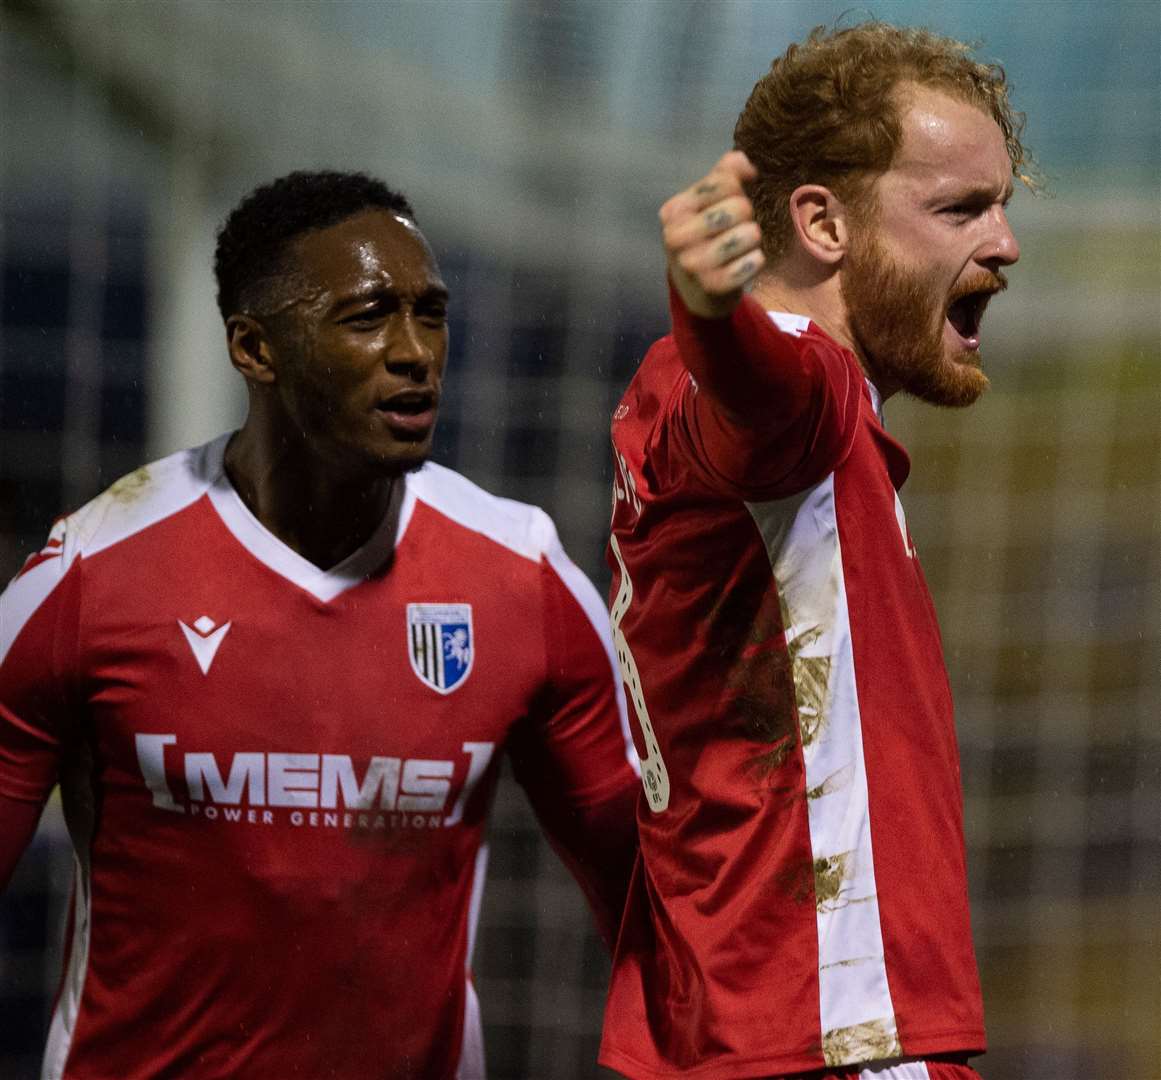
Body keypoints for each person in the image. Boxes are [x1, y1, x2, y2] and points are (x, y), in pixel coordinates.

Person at [0, 171, 640, 1079]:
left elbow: (647, 901)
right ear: (254, 348)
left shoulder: (519, 576)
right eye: (369, 315)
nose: (416, 351)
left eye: (432, 312)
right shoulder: (92, 575)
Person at [600, 22, 1032, 1080]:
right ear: (822, 223)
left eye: (1005, 201)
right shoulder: (802, 389)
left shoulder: (693, 405)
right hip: (833, 1027)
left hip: (741, 1024)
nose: (1007, 242)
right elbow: (763, 395)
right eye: (962, 207)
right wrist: (713, 310)